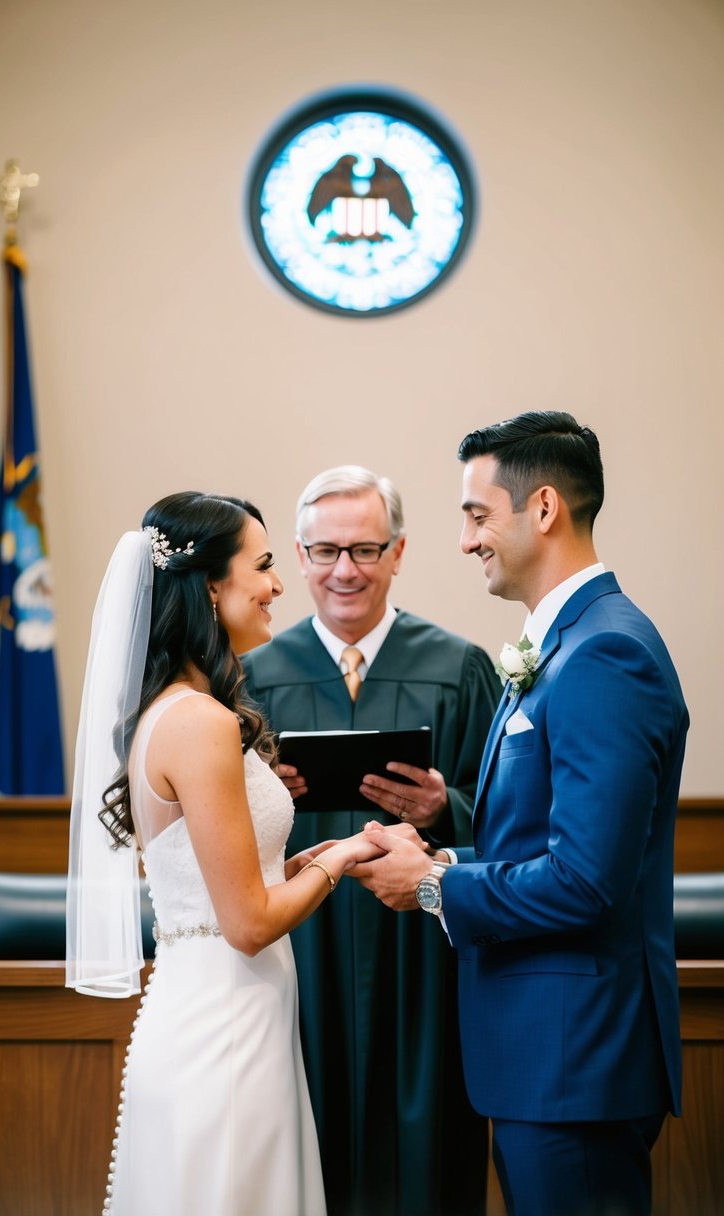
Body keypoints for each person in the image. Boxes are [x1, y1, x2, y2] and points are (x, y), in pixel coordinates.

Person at [357, 412, 688, 1216]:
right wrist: (438, 859)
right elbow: (540, 842)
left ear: (542, 509)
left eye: (477, 515)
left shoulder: (604, 652)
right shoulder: (564, 645)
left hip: (575, 1055)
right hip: (548, 1054)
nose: (466, 540)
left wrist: (434, 885)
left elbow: (584, 882)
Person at [65, 491, 382, 1216]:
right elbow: (247, 924)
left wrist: (301, 863)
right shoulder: (200, 723)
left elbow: (224, 887)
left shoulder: (171, 711)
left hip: (227, 1008)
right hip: (225, 1027)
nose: (277, 586)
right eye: (263, 566)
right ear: (210, 586)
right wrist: (345, 857)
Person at [243, 466, 500, 1216]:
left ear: (397, 553)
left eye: (364, 549)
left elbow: (515, 818)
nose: (344, 570)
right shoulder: (255, 676)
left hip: (422, 949)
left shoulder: (458, 667)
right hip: (304, 947)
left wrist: (443, 805)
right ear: (298, 557)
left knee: (428, 1147)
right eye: (324, 552)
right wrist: (264, 797)